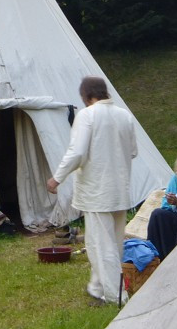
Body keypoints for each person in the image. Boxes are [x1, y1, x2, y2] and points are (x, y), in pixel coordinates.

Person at [47, 76, 137, 305]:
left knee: (100, 245)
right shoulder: (125, 116)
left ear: (87, 97)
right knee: (114, 244)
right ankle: (97, 287)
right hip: (120, 190)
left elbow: (77, 153)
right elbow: (133, 151)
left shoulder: (87, 115)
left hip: (97, 192)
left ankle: (115, 296)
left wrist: (56, 179)